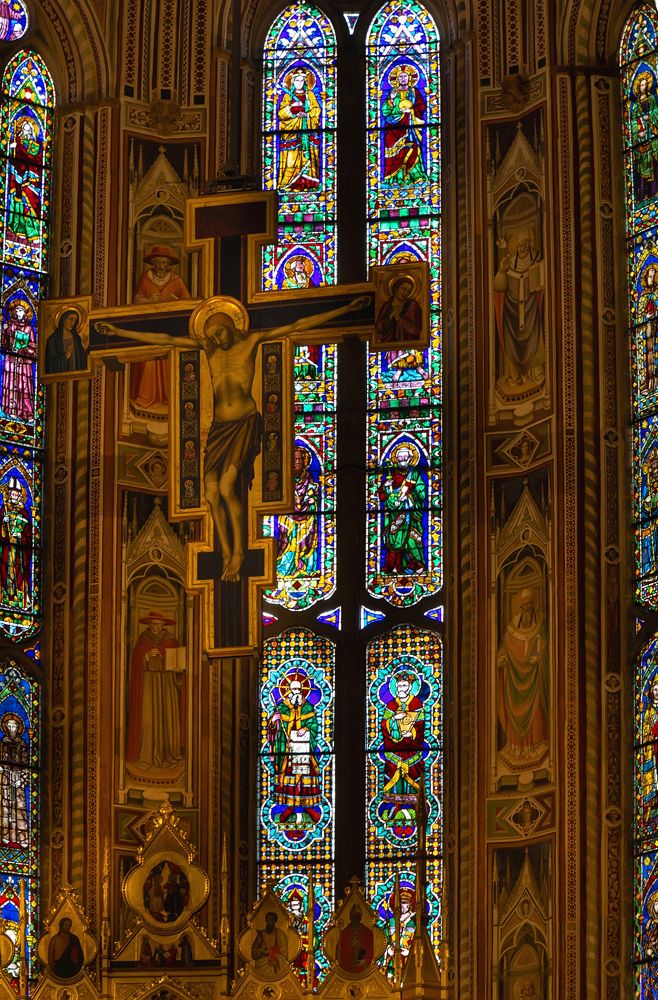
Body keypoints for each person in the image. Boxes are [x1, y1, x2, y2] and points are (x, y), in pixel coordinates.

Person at [98, 295, 368, 582]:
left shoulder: (250, 341)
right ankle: (227, 553)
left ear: (232, 327)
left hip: (244, 424)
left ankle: (239, 551)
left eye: (219, 332)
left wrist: (346, 308)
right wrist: (119, 332)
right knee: (211, 494)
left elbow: (297, 324)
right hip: (219, 428)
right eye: (211, 335)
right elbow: (165, 339)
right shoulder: (209, 349)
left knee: (227, 487)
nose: (216, 339)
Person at [132, 245, 192, 412]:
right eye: (157, 262)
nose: (160, 266)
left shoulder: (176, 281)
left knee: (168, 362)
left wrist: (175, 301)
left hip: (169, 329)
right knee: (148, 362)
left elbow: (188, 303)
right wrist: (148, 300)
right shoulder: (145, 278)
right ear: (153, 263)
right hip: (149, 327)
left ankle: (168, 397)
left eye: (164, 263)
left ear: (169, 265)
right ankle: (145, 397)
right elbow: (136, 299)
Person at [125, 610, 184, 770]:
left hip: (167, 685)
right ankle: (147, 757)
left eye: (158, 624)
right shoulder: (143, 640)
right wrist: (145, 656)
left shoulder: (172, 641)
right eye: (152, 625)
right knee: (147, 720)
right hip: (149, 684)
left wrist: (168, 660)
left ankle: (167, 755)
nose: (155, 627)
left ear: (163, 625)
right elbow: (135, 661)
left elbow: (178, 664)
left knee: (167, 718)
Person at [496, 588, 549, 767]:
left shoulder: (540, 623)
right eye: (524, 605)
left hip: (534, 678)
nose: (527, 608)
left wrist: (540, 657)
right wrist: (502, 659)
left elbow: (544, 645)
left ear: (533, 605)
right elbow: (505, 647)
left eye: (529, 605)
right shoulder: (512, 628)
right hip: (514, 680)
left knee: (536, 711)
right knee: (514, 709)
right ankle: (516, 747)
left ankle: (536, 745)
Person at [268, 672, 320, 829]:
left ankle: (307, 808)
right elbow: (272, 730)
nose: (295, 692)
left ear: (302, 691)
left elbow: (314, 726)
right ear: (288, 690)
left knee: (304, 780)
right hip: (287, 750)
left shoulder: (308, 707)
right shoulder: (282, 707)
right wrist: (274, 721)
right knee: (288, 778)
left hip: (304, 749)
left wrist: (306, 729)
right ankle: (289, 808)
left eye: (298, 689)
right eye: (293, 689)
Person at [494, 227, 544, 388]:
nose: (521, 249)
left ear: (529, 244)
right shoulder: (510, 262)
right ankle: (514, 377)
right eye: (519, 246)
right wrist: (502, 271)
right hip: (512, 310)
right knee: (511, 342)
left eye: (524, 245)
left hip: (531, 309)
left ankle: (535, 372)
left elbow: (541, 282)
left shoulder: (537, 259)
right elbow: (499, 287)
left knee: (534, 338)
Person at [381, 671, 425, 824]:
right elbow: (384, 726)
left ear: (410, 687)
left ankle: (412, 808)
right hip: (395, 749)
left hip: (411, 749)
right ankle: (396, 807)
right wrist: (394, 719)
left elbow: (420, 726)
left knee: (412, 776)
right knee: (395, 776)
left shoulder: (416, 704)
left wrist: (411, 733)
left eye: (405, 685)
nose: (401, 688)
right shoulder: (391, 705)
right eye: (399, 685)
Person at [378, 443, 426, 573]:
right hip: (392, 514)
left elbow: (422, 493)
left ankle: (416, 564)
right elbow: (382, 496)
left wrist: (409, 497)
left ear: (410, 459)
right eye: (400, 458)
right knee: (392, 539)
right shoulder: (390, 475)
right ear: (396, 459)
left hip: (411, 514)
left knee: (412, 539)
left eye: (405, 458)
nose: (403, 460)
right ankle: (394, 567)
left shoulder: (414, 475)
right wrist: (385, 487)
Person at [276, 446, 319, 579]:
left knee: (309, 531)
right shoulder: (284, 479)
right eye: (295, 459)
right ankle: (286, 567)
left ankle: (305, 566)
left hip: (306, 516)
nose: (298, 462)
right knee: (288, 534)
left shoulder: (309, 478)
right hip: (288, 515)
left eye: (300, 459)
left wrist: (312, 501)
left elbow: (314, 495)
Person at [382, 65, 427, 185]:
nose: (403, 79)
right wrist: (390, 101)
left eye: (405, 76)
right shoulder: (393, 92)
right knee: (396, 154)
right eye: (400, 77)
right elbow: (385, 111)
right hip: (394, 128)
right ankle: (396, 178)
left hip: (411, 125)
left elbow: (421, 106)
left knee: (413, 148)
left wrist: (411, 111)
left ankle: (414, 176)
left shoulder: (414, 91)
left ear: (409, 78)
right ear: (397, 79)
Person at [277, 68, 320, 191]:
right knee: (291, 158)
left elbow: (317, 110)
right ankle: (289, 183)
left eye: (302, 80)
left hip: (307, 129)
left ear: (306, 82)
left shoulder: (310, 95)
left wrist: (306, 114)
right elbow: (281, 113)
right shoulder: (287, 96)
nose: (299, 83)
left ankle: (310, 183)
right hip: (292, 131)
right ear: (293, 82)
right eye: (297, 80)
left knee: (309, 158)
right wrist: (292, 109)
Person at [7, 116, 42, 248]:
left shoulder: (35, 147)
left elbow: (37, 159)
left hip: (30, 179)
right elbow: (15, 157)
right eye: (24, 131)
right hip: (18, 176)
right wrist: (12, 147)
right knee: (16, 200)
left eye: (29, 131)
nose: (26, 134)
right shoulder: (17, 144)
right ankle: (17, 228)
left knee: (31, 203)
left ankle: (32, 231)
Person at [1, 298, 35, 421]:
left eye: (21, 311)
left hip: (24, 362)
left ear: (25, 313)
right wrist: (4, 331)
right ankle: (11, 410)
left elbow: (33, 346)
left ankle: (27, 412)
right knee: (11, 384)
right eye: (17, 311)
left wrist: (23, 348)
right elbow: (3, 343)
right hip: (11, 360)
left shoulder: (29, 328)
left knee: (24, 386)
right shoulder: (10, 325)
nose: (19, 313)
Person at [0, 476, 31, 610]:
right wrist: (3, 523)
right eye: (12, 494)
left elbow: (29, 534)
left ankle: (21, 599)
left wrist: (21, 536)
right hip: (6, 550)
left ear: (20, 496)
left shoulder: (24, 512)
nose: (14, 496)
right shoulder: (3, 510)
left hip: (19, 551)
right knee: (5, 571)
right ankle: (5, 597)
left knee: (19, 572)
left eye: (16, 494)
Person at [0, 712, 29, 847]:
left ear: (18, 729)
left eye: (14, 726)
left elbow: (27, 766)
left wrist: (21, 780)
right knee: (6, 809)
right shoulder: (3, 743)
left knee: (20, 808)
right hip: (6, 778)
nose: (12, 729)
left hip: (18, 780)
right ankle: (6, 835)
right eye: (9, 726)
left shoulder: (22, 744)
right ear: (6, 728)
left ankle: (22, 838)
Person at [631, 70, 658, 203]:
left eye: (645, 84)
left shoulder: (652, 98)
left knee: (653, 162)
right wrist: (638, 131)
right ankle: (643, 196)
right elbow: (633, 121)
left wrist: (650, 117)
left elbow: (656, 111)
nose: (644, 87)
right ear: (638, 87)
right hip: (641, 139)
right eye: (641, 84)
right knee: (641, 167)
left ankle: (654, 193)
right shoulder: (635, 105)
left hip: (651, 132)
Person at [375, 276, 422, 344]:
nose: (405, 293)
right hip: (387, 344)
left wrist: (399, 319)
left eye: (408, 291)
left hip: (407, 344)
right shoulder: (386, 305)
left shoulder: (412, 305)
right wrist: (390, 317)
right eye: (403, 289)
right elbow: (378, 327)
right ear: (396, 287)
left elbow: (415, 330)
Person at [45, 309, 87, 375]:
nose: (73, 323)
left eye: (75, 321)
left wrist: (85, 349)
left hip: (76, 376)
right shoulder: (53, 339)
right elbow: (50, 364)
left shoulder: (76, 338)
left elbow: (81, 361)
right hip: (59, 378)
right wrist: (65, 357)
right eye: (70, 319)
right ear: (63, 320)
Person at [251, 911, 288, 979]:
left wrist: (275, 959)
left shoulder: (281, 935)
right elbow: (254, 951)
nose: (269, 922)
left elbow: (284, 955)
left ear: (275, 921)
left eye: (271, 920)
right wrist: (261, 950)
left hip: (274, 964)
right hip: (261, 966)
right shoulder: (261, 935)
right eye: (268, 920)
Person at [337, 904, 373, 975]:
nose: (355, 919)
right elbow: (339, 951)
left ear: (360, 917)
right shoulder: (344, 932)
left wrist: (364, 960)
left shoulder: (366, 932)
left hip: (362, 970)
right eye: (353, 916)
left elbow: (370, 949)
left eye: (357, 916)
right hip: (346, 969)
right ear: (350, 917)